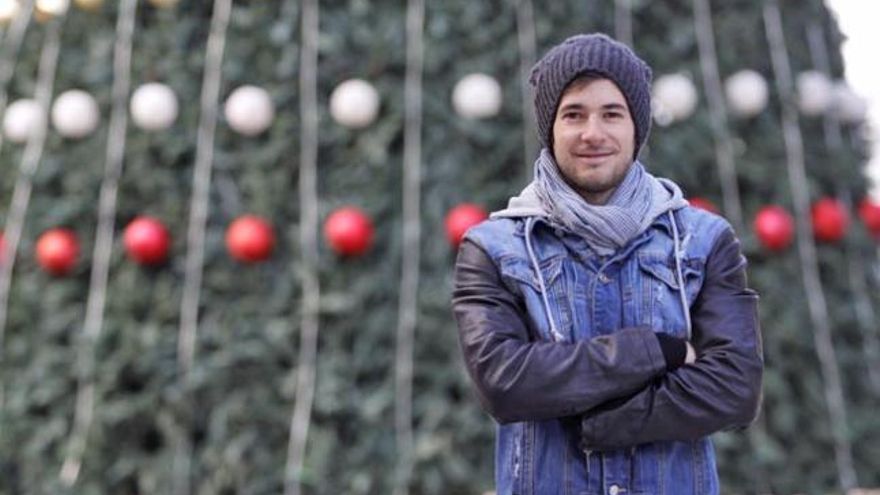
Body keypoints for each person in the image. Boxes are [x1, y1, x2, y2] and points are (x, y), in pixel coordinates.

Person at [452, 33, 762, 495]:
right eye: (573, 114)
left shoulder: (702, 241)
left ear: (636, 126)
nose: (592, 133)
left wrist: (609, 424)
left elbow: (736, 387)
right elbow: (506, 382)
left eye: (611, 114)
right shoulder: (493, 248)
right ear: (550, 128)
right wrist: (661, 351)